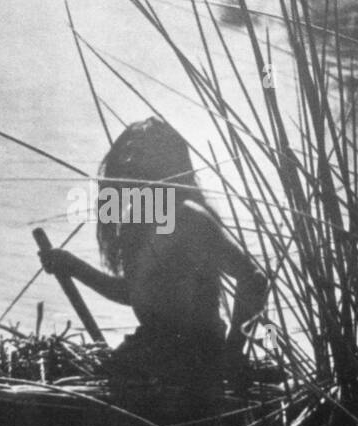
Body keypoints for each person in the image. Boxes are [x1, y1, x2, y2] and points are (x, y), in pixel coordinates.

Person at [39, 117, 268, 398]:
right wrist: (72, 266)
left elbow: (253, 278)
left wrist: (232, 353)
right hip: (152, 345)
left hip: (194, 352)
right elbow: (135, 293)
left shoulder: (188, 217)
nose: (130, 173)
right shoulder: (139, 219)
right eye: (126, 165)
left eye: (140, 164)